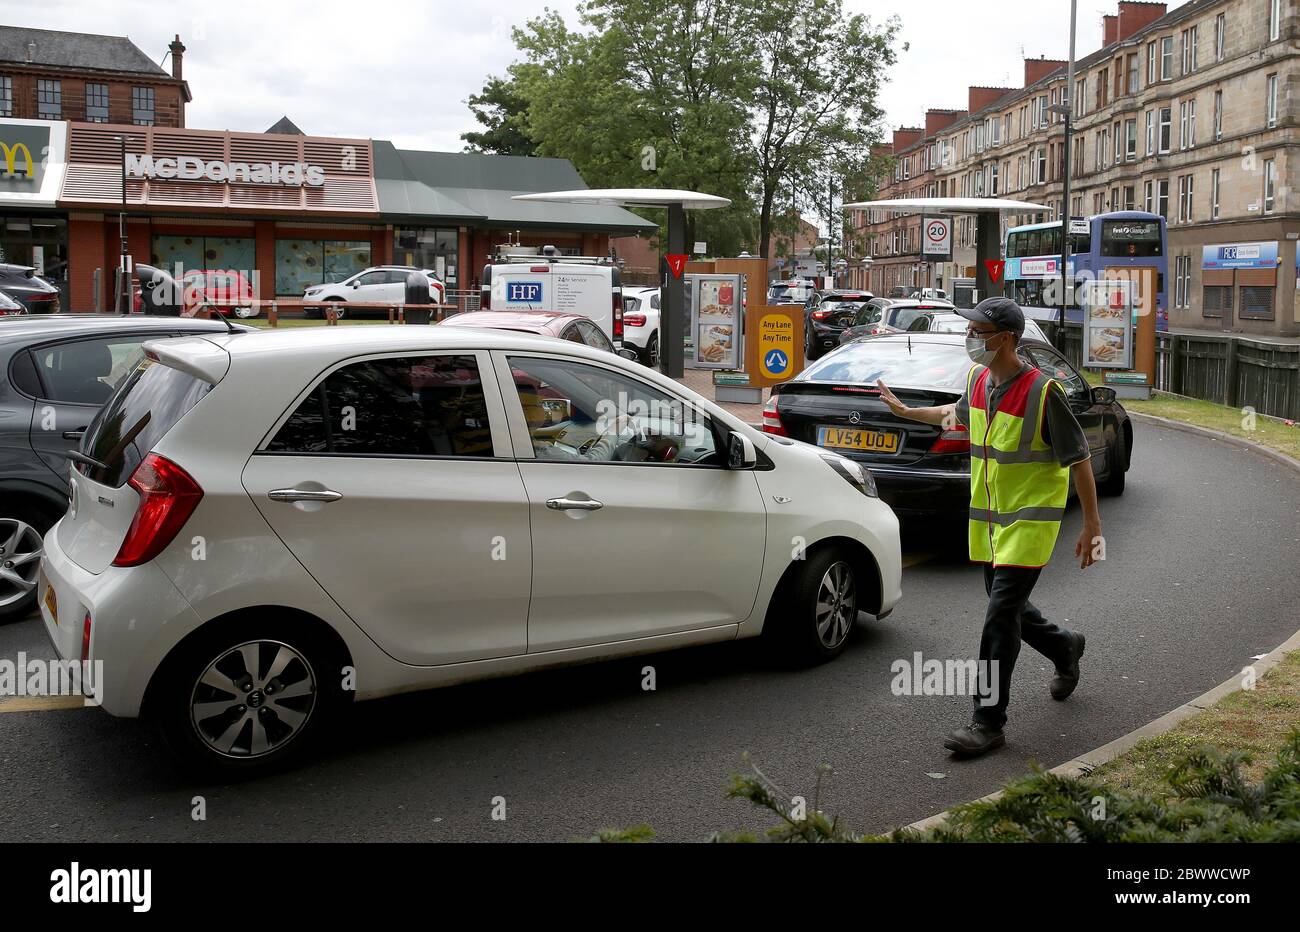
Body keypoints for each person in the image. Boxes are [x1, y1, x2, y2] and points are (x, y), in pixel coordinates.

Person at [876, 297, 1101, 757]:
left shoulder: (1043, 392)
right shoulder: (979, 381)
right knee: (1012, 611)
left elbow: (1079, 459)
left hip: (1030, 525)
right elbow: (953, 416)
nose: (971, 336)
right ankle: (1065, 648)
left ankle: (987, 721)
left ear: (1008, 338)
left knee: (999, 617)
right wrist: (906, 413)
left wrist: (1092, 527)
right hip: (992, 524)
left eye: (980, 329)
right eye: (972, 328)